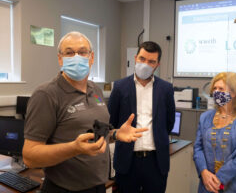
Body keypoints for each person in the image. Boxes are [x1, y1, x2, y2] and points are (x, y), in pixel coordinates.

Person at [22, 31, 148, 193]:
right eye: (69, 52)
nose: (76, 57)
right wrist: (74, 148)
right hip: (64, 189)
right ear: (60, 59)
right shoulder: (46, 94)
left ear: (92, 57)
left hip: (98, 186)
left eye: (82, 52)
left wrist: (115, 134)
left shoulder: (95, 90)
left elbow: (92, 135)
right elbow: (29, 156)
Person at [108, 41, 175, 193]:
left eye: (151, 61)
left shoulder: (166, 89)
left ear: (157, 65)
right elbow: (111, 123)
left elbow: (169, 123)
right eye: (142, 59)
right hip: (127, 161)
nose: (145, 64)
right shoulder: (119, 87)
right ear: (135, 58)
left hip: (156, 162)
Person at [194, 72, 236, 193]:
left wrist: (219, 178)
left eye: (221, 89)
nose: (216, 92)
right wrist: (203, 172)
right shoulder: (205, 117)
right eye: (215, 88)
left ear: (234, 93)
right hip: (207, 184)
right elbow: (198, 148)